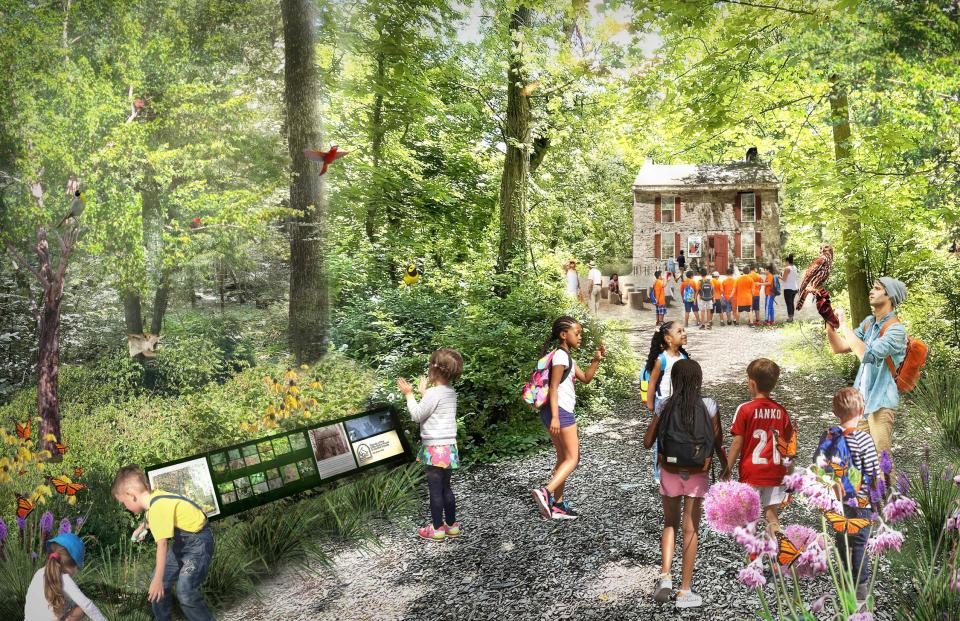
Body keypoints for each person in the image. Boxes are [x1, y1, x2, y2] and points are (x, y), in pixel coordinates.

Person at [644, 360, 724, 609]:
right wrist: (726, 467)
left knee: (670, 523)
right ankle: (684, 591)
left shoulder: (664, 404)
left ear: (674, 380)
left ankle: (665, 575)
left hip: (669, 470)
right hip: (697, 473)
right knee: (691, 529)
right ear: (698, 380)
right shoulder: (709, 405)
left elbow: (648, 441)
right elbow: (717, 441)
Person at [825, 277, 907, 475]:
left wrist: (844, 325)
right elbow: (840, 347)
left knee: (882, 459)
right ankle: (867, 504)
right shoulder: (869, 324)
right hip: (861, 403)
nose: (871, 291)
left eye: (877, 289)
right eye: (872, 287)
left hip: (881, 402)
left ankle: (894, 503)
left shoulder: (896, 330)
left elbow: (865, 355)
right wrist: (829, 323)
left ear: (890, 297)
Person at [113, 465, 215, 621]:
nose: (125, 507)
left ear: (131, 495)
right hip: (183, 544)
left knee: (184, 591)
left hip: (198, 544)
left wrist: (158, 580)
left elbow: (162, 544)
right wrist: (142, 527)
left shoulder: (157, 508)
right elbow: (159, 516)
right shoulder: (155, 497)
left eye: (123, 502)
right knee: (157, 590)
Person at [531, 316, 605, 520]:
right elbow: (553, 387)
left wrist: (596, 360)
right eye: (577, 333)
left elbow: (586, 379)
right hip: (559, 412)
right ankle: (546, 492)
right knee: (574, 458)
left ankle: (558, 504)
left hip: (553, 412)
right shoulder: (561, 357)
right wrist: (556, 417)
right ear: (564, 335)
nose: (579, 337)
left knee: (563, 458)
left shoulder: (565, 357)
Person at [813, 387, 880, 606]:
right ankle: (860, 588)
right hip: (861, 504)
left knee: (842, 542)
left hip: (837, 503)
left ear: (835, 412)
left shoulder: (829, 436)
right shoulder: (865, 440)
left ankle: (843, 581)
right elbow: (873, 474)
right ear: (862, 410)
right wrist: (877, 502)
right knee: (860, 543)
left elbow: (818, 466)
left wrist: (830, 484)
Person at [398, 348, 464, 542]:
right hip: (449, 447)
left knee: (435, 491)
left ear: (433, 370)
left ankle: (436, 529)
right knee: (446, 488)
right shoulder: (450, 392)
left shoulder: (433, 393)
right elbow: (436, 407)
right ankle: (451, 526)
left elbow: (417, 415)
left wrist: (409, 395)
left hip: (434, 448)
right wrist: (424, 393)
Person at [722, 359, 795, 535]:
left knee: (749, 517)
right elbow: (787, 446)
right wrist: (790, 474)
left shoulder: (745, 409)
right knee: (771, 514)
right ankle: (777, 553)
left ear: (752, 383)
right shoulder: (781, 411)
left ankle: (753, 555)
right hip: (775, 472)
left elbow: (737, 442)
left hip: (751, 473)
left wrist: (727, 468)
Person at [644, 322, 691, 486]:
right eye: (679, 331)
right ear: (668, 338)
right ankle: (659, 473)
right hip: (663, 404)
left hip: (680, 403)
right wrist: (651, 404)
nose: (684, 333)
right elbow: (652, 383)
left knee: (680, 436)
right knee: (662, 439)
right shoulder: (661, 359)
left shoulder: (684, 357)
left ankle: (678, 466)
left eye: (684, 330)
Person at [25, 533, 108, 621]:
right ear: (75, 566)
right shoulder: (65, 580)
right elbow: (87, 605)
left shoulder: (39, 572)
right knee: (81, 609)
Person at [781, 254, 799, 322]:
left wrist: (779, 276)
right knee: (791, 303)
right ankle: (791, 317)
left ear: (787, 261)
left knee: (789, 303)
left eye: (785, 262)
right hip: (795, 288)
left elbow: (784, 279)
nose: (785, 263)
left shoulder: (787, 268)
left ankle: (790, 318)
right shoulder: (794, 267)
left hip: (788, 288)